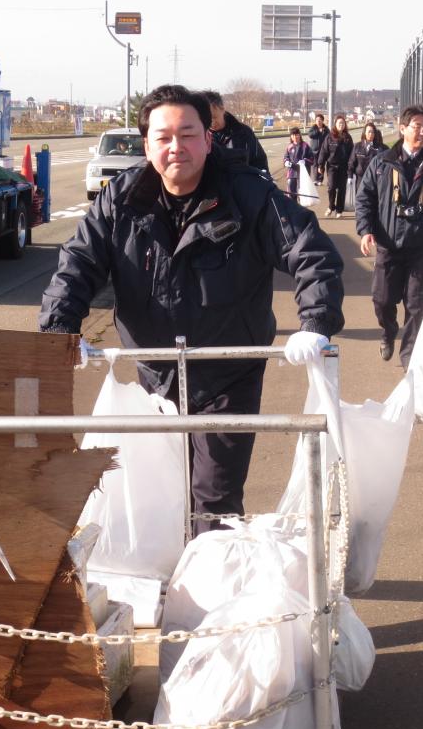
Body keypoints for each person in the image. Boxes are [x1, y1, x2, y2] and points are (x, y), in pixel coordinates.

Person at [40, 85, 344, 531]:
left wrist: (315, 322)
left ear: (208, 138)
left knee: (214, 496)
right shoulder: (121, 199)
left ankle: (206, 592)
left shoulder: (248, 195)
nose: (175, 147)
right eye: (163, 137)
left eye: (187, 134)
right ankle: (167, 583)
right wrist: (59, 330)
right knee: (159, 488)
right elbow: (79, 262)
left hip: (227, 374)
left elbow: (309, 250)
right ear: (147, 145)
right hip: (155, 375)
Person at [354, 104, 423, 366]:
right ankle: (388, 331)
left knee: (417, 307)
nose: (422, 132)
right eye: (416, 126)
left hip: (421, 249)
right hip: (388, 247)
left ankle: (410, 359)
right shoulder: (381, 163)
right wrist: (366, 231)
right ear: (402, 128)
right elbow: (365, 199)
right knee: (382, 301)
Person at [202, 90, 269, 175]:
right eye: (206, 118)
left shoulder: (244, 132)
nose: (211, 122)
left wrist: (265, 184)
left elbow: (259, 161)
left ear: (222, 109)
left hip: (243, 185)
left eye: (214, 117)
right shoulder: (200, 136)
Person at [316, 113, 354, 218]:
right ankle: (331, 206)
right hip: (332, 166)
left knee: (342, 189)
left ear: (345, 125)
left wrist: (352, 167)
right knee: (331, 187)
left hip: (344, 167)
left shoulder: (348, 138)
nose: (341, 125)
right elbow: (323, 151)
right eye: (339, 123)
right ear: (335, 124)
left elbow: (352, 154)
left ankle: (339, 209)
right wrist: (320, 165)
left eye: (343, 123)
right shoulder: (330, 137)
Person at [347, 121, 386, 203]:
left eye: (373, 132)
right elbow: (351, 162)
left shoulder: (380, 148)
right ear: (364, 133)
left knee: (372, 202)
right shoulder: (357, 146)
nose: (371, 134)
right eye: (369, 131)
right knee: (360, 201)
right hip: (360, 179)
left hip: (374, 180)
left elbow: (388, 159)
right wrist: (350, 176)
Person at [282, 126, 315, 202]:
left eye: (296, 134)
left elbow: (312, 159)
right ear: (291, 136)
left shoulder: (305, 146)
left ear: (299, 135)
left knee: (302, 194)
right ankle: (293, 210)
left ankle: (302, 211)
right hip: (291, 173)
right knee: (291, 193)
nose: (295, 137)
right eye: (293, 135)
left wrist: (305, 161)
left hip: (303, 174)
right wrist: (286, 161)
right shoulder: (289, 147)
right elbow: (285, 157)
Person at [307, 113, 330, 183]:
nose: (318, 121)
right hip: (314, 150)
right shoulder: (313, 128)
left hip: (323, 150)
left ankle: (320, 179)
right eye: (317, 120)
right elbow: (310, 135)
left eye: (320, 120)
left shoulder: (326, 129)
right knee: (314, 165)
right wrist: (318, 131)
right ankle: (315, 179)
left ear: (323, 121)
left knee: (321, 164)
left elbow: (329, 138)